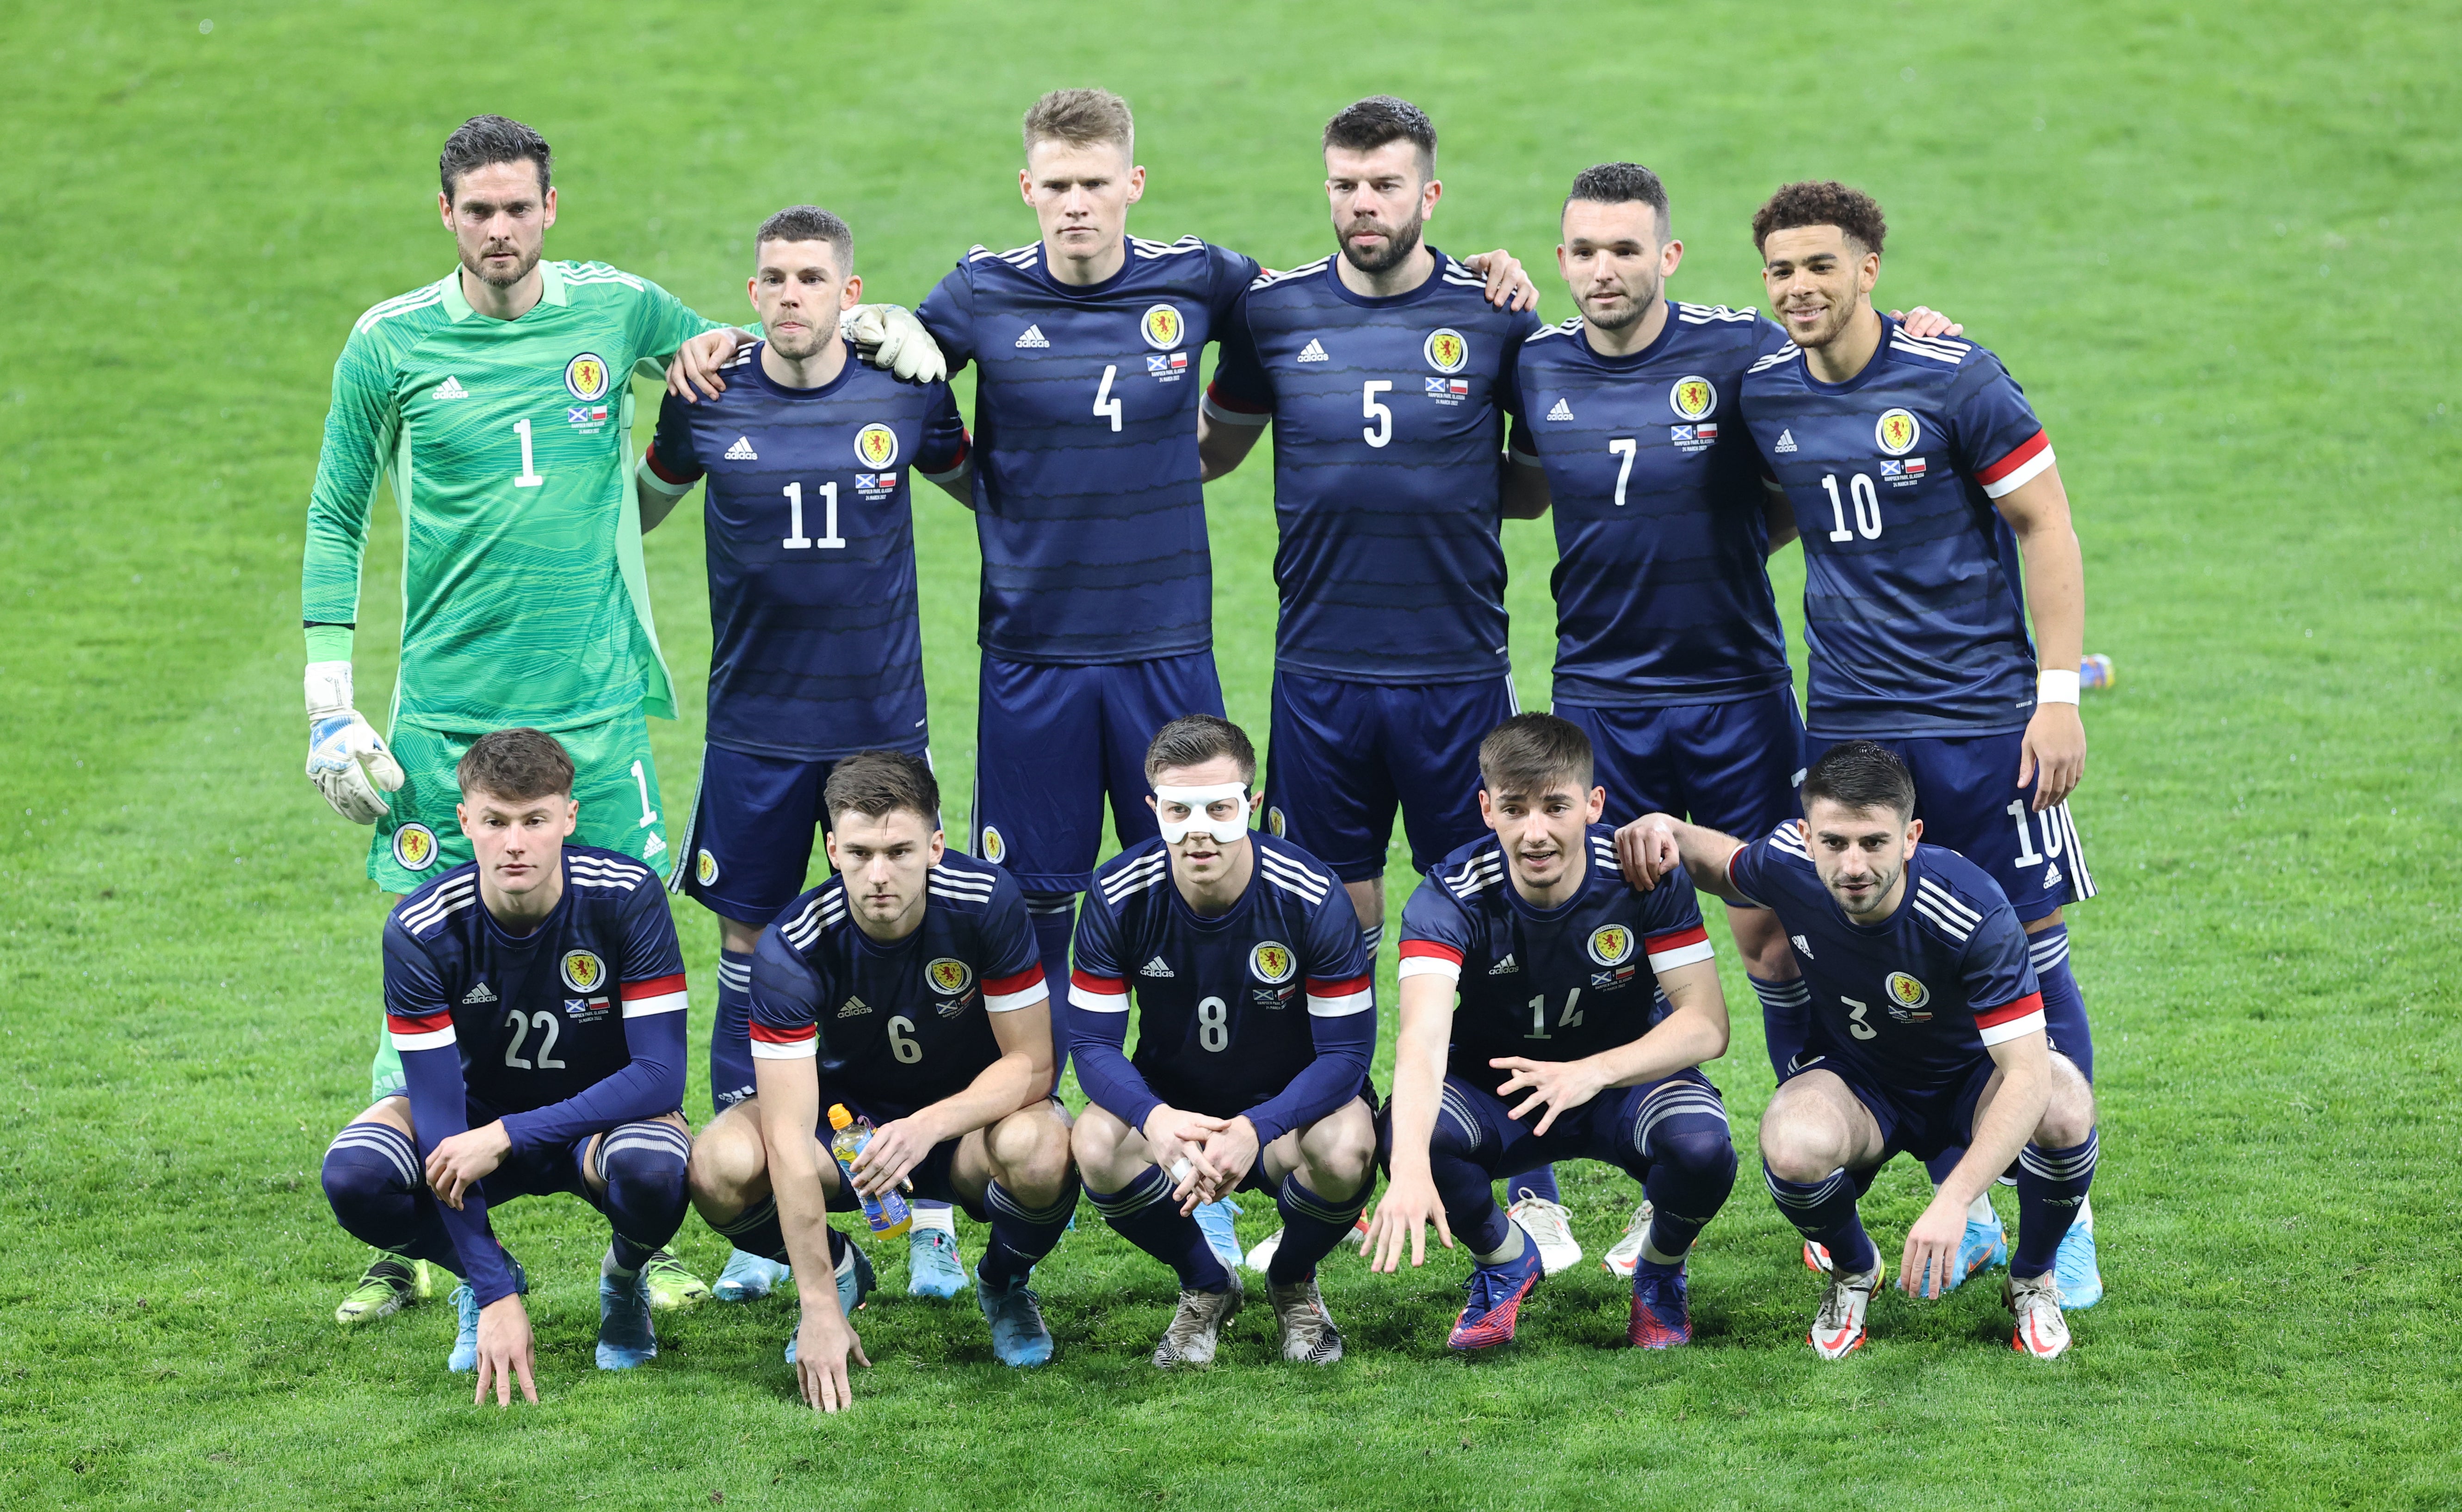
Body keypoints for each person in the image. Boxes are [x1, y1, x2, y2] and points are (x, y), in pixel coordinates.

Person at [302, 115, 746, 1322]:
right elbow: (336, 515)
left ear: (551, 208)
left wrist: (861, 328)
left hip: (595, 712)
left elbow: (729, 349)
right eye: (476, 210)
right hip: (446, 715)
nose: (499, 230)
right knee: (427, 951)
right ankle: (410, 1241)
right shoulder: (387, 343)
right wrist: (327, 701)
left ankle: (637, 1235)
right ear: (446, 214)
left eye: (518, 208)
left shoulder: (614, 309)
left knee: (630, 959)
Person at [1506, 161, 1963, 1278]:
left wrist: (1917, 326)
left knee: (1769, 921)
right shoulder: (1533, 362)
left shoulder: (1736, 352)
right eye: (1581, 252)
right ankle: (1633, 1180)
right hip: (1600, 699)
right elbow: (1513, 480)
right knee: (1607, 938)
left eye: (1626, 250)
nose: (1602, 270)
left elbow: (1845, 354)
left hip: (1737, 693)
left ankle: (1834, 1161)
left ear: (1666, 257)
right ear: (1561, 260)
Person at [1198, 97, 1577, 1269]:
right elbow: (1213, 445)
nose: (1365, 205)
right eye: (1346, 185)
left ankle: (1533, 1185)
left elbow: (1531, 483)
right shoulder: (1270, 311)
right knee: (1339, 929)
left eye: (1386, 185)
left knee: (1500, 922)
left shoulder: (1494, 314)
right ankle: (1343, 1163)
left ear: (1430, 195)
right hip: (1318, 682)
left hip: (1458, 675)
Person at [1739, 180, 2101, 1305]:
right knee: (1811, 939)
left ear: (1869, 270)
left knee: (2027, 946)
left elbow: (2048, 524)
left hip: (1981, 718)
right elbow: (1783, 505)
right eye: (1781, 271)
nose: (1800, 288)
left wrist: (2057, 696)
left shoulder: (1957, 377)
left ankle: (2066, 1206)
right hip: (1848, 721)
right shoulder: (1763, 394)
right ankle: (1951, 1188)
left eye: (1820, 267)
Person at [636, 205, 978, 1305]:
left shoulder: (907, 390)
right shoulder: (704, 395)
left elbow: (985, 485)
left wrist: (934, 355)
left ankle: (929, 1215)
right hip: (753, 730)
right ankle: (755, 1220)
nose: (791, 295)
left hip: (879, 724)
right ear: (752, 295)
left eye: (812, 278)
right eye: (774, 278)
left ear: (849, 291)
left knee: (914, 934)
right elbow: (637, 506)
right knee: (749, 940)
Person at [1615, 741, 2098, 1358]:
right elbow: (1725, 864)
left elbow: (2025, 1076)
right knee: (1789, 1138)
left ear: (1910, 836)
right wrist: (1671, 831)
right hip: (1862, 1086)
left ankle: (2033, 1278)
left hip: (1967, 1085)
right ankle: (1853, 1270)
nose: (1852, 864)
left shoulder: (1971, 909)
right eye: (1834, 841)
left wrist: (1951, 1200)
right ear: (1806, 835)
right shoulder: (1789, 863)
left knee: (2061, 1103)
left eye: (1873, 841)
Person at [684, 751, 1076, 1407]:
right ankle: (840, 1271)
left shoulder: (986, 902)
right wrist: (814, 1303)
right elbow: (784, 1136)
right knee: (720, 1162)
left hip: (962, 1130)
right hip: (846, 1144)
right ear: (833, 849)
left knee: (1041, 1149)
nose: (879, 874)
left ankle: (1005, 1282)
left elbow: (1031, 1064)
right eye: (861, 853)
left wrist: (928, 1126)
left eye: (899, 851)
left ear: (936, 845)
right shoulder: (791, 948)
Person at [318, 729, 695, 1401]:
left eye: (534, 820)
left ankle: (624, 1276)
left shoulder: (625, 894)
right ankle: (486, 1274)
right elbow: (437, 1116)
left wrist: (510, 1134)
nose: (514, 842)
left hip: (596, 1125)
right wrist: (491, 1287)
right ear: (466, 821)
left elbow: (661, 1076)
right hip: (473, 1122)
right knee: (357, 1173)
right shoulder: (422, 927)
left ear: (568, 819)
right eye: (495, 821)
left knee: (656, 1166)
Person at [1363, 715, 1737, 1351]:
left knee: (1703, 1146)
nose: (1534, 831)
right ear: (1487, 808)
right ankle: (1505, 1260)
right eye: (1514, 808)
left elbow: (1705, 1024)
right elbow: (1421, 1040)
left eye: (1555, 806)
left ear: (1593, 805)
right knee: (1411, 1134)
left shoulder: (1639, 875)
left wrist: (1591, 1071)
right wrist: (1403, 1170)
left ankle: (1659, 1272)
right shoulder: (1447, 896)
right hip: (1498, 1093)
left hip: (1621, 1086)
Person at [1069, 716, 1376, 1366]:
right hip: (1174, 1109)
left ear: (1251, 805)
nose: (1198, 829)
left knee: (1348, 1145)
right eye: (1177, 809)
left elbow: (1348, 1056)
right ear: (1152, 808)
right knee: (1094, 1141)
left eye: (1220, 807)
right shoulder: (1116, 892)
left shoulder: (1312, 894)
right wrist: (1152, 1118)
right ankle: (1206, 1284)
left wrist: (1256, 1127)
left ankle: (1293, 1280)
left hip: (1288, 1109)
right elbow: (1091, 1045)